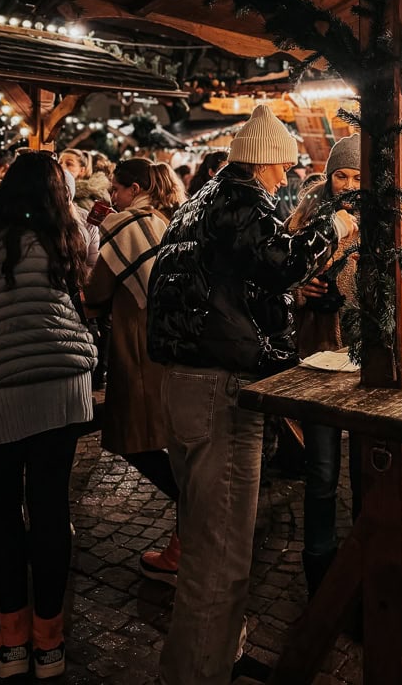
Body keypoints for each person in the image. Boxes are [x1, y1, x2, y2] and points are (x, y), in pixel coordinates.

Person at [147, 104, 355, 685]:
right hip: (219, 388)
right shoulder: (239, 200)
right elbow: (282, 261)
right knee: (221, 553)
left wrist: (284, 298)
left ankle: (214, 657)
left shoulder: (201, 202)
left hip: (189, 382)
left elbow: (241, 282)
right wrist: (336, 228)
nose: (289, 178)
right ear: (264, 163)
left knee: (208, 539)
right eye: (285, 168)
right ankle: (199, 676)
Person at [0, 152, 96, 679]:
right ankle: (50, 644)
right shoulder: (73, 231)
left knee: (3, 512)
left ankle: (11, 642)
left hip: (2, 388)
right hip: (65, 384)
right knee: (51, 508)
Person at [83, 158, 185, 585]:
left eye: (117, 190)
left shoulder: (127, 226)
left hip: (139, 344)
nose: (113, 198)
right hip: (170, 341)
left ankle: (191, 512)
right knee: (170, 438)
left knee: (134, 436)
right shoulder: (163, 219)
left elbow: (96, 292)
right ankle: (187, 530)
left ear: (135, 187)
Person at [287, 134, 361, 595]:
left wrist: (359, 297)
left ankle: (365, 556)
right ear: (330, 177)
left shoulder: (387, 226)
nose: (349, 184)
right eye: (341, 175)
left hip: (363, 359)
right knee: (322, 471)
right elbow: (276, 285)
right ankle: (319, 561)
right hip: (316, 358)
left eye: (357, 176)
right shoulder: (304, 223)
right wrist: (300, 292)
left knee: (370, 473)